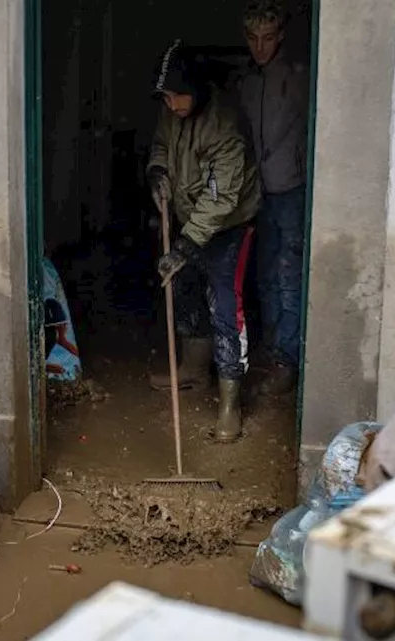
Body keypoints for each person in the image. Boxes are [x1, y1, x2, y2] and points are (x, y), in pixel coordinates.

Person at [147, 40, 262, 443]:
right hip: (189, 218)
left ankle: (231, 400)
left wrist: (184, 247)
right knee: (187, 288)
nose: (172, 104)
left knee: (225, 306)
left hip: (229, 225)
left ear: (196, 88)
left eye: (178, 95)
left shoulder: (224, 125)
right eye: (165, 97)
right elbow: (162, 145)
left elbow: (221, 199)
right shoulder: (172, 113)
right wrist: (158, 171)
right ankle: (194, 370)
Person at [236, 1, 309, 396]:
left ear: (280, 36)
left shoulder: (297, 79)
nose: (259, 46)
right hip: (258, 193)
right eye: (252, 39)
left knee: (288, 274)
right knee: (263, 273)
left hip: (292, 189)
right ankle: (271, 348)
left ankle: (287, 360)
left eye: (267, 38)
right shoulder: (247, 82)